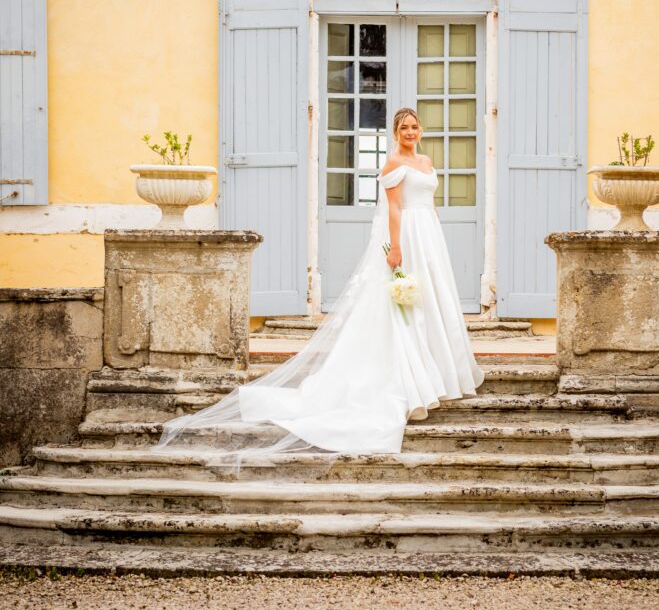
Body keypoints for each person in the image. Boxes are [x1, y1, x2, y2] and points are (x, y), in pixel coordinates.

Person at [153, 107, 484, 469]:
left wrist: (435, 234)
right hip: (406, 234)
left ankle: (440, 370)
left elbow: (430, 203)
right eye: (404, 127)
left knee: (433, 301)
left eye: (414, 126)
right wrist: (397, 247)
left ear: (420, 129)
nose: (410, 131)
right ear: (395, 132)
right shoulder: (391, 165)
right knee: (405, 309)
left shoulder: (426, 159)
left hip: (429, 238)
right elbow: (393, 210)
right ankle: (411, 380)